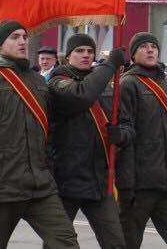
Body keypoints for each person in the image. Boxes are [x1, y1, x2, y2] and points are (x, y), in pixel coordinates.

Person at [0, 20, 79, 248]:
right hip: (0, 190)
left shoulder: (36, 80)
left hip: (39, 187)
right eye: (15, 37)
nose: (22, 41)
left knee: (66, 242)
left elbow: (50, 128)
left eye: (24, 36)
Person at [116, 32, 167, 248]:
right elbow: (124, 139)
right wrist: (126, 185)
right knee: (127, 243)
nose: (150, 49)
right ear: (133, 55)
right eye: (143, 46)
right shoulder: (127, 84)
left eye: (153, 46)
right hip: (139, 185)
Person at [47, 33, 126, 248]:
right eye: (79, 51)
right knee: (59, 243)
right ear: (68, 56)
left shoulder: (103, 86)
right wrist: (110, 65)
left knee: (116, 242)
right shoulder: (57, 83)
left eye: (90, 51)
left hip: (98, 182)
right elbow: (82, 95)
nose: (86, 55)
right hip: (65, 181)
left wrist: (122, 134)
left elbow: (127, 124)